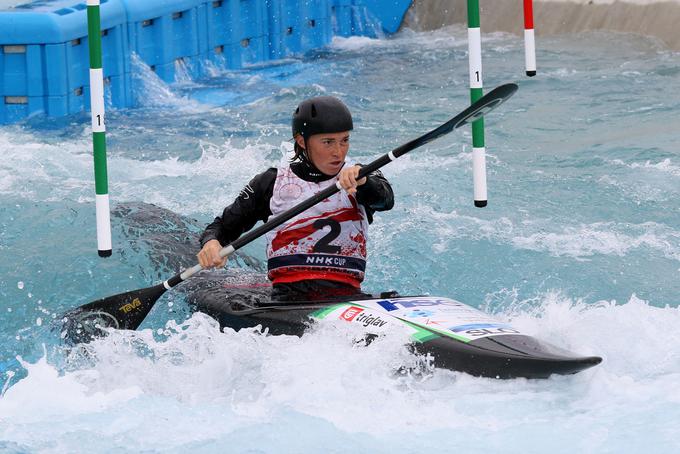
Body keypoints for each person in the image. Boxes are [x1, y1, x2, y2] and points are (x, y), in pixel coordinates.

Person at [197, 96, 394, 302]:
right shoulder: (272, 182)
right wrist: (211, 243)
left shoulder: (360, 176)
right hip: (285, 299)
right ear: (302, 141)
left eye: (344, 140)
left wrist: (364, 182)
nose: (338, 152)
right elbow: (221, 228)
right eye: (328, 142)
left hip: (346, 297)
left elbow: (385, 200)